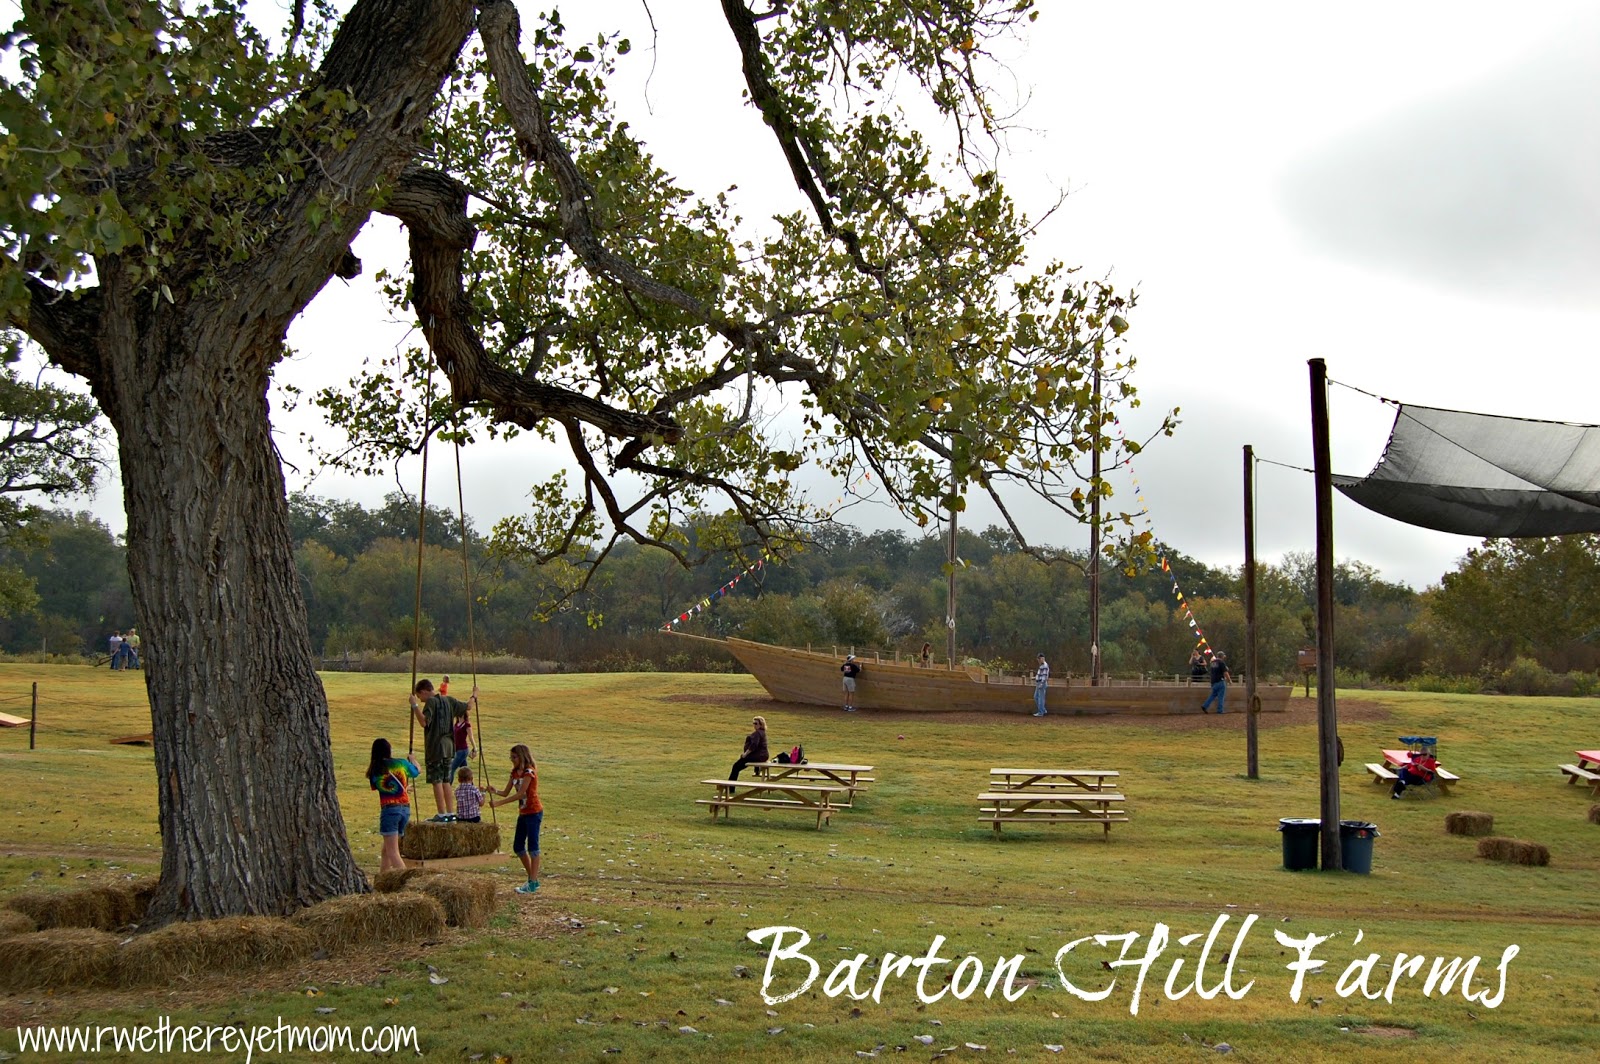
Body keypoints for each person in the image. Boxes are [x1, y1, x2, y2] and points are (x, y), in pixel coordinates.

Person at [410, 678, 477, 821]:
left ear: (423, 692)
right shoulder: (449, 700)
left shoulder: (431, 702)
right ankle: (450, 813)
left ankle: (441, 814)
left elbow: (423, 722)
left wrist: (414, 706)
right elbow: (468, 707)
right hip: (449, 746)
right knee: (446, 779)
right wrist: (474, 695)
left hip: (436, 746)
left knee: (436, 780)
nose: (421, 700)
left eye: (420, 697)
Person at [489, 743, 543, 894]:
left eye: (514, 757)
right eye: (511, 757)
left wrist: (499, 803)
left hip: (533, 811)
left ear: (521, 756)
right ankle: (532, 879)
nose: (512, 760)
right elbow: (506, 792)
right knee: (518, 846)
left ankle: (532, 882)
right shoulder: (514, 773)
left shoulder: (529, 772)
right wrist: (495, 791)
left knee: (533, 847)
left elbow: (521, 794)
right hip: (524, 812)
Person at [367, 738, 419, 874]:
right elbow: (416, 771)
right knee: (386, 850)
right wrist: (412, 759)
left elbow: (382, 788)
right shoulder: (401, 763)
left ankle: (405, 878)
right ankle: (383, 878)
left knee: (393, 852)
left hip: (389, 811)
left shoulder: (375, 770)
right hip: (405, 809)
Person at [729, 716, 769, 780]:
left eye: (756, 723)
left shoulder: (757, 733)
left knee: (736, 767)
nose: (754, 725)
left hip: (757, 756)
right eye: (753, 723)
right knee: (738, 764)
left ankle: (730, 787)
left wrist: (745, 754)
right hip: (763, 756)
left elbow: (754, 745)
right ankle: (757, 770)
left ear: (761, 724)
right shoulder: (762, 732)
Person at [450, 701, 473, 783]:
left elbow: (471, 737)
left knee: (451, 768)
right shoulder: (456, 724)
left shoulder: (466, 724)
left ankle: (448, 786)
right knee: (466, 771)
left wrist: (475, 748)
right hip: (457, 749)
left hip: (462, 750)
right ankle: (471, 787)